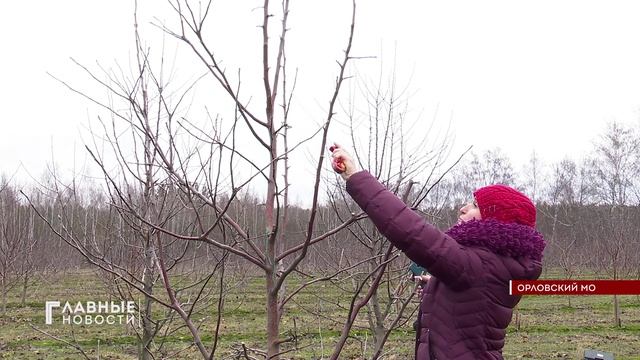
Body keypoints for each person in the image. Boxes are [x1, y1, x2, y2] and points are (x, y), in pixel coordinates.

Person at [330, 145, 546, 360]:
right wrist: (436, 287)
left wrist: (355, 176)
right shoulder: (491, 264)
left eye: (475, 206)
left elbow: (411, 231)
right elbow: (470, 305)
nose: (463, 208)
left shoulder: (480, 265)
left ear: (496, 221)